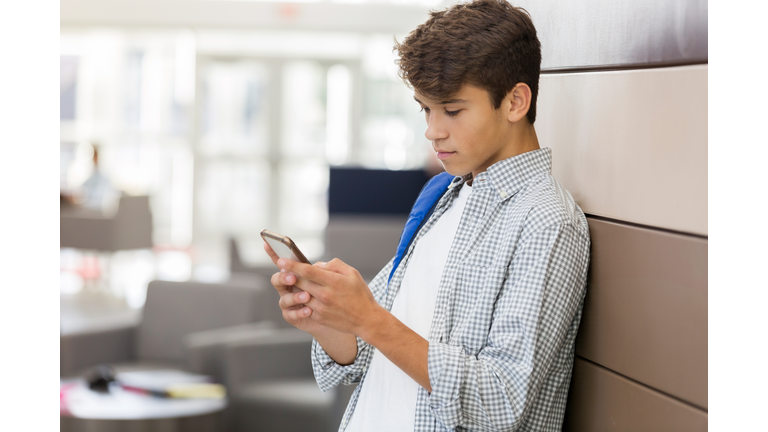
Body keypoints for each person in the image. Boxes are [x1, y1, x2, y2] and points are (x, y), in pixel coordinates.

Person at [264, 0, 591, 430]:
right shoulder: (441, 197)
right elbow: (364, 352)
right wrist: (327, 317)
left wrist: (369, 317)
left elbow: (503, 401)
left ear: (515, 101)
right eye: (426, 109)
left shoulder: (547, 222)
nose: (433, 130)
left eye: (452, 110)